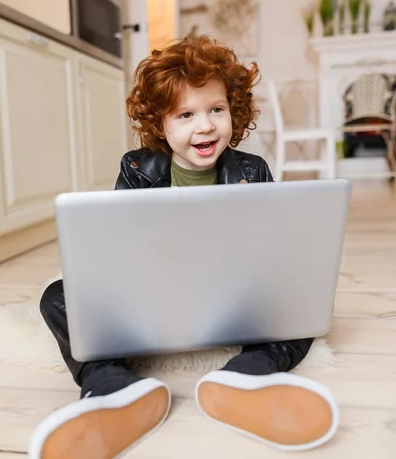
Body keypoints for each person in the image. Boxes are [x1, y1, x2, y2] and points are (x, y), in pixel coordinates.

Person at [29, 36, 339, 459]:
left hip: (234, 300)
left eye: (216, 109)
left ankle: (248, 377)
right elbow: (120, 252)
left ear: (235, 111)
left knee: (305, 294)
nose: (205, 125)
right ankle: (111, 387)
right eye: (186, 114)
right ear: (161, 124)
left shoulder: (252, 170)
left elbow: (270, 253)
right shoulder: (137, 168)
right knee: (58, 296)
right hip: (151, 301)